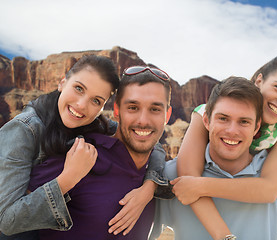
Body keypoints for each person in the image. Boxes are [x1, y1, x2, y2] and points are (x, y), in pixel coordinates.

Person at [171, 52, 277, 239]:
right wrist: (224, 236)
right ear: (259, 81)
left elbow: (269, 190)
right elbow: (187, 178)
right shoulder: (206, 114)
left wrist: (202, 185)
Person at [27, 66, 172, 239]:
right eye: (133, 107)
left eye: (155, 109)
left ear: (167, 115)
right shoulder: (79, 154)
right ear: (117, 111)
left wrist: (150, 186)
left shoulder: (162, 174)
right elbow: (12, 218)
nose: (143, 121)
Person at [0, 55, 120, 239]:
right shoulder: (24, 130)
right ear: (62, 83)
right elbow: (7, 221)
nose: (81, 105)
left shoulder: (94, 123)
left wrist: (148, 189)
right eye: (79, 88)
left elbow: (142, 136)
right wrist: (69, 178)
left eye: (96, 101)